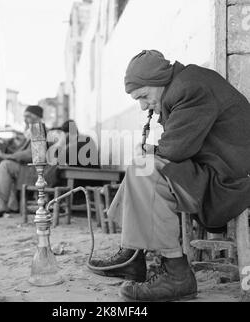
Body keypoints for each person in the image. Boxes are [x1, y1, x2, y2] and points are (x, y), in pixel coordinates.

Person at [88, 50, 250, 302]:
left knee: (145, 171)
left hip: (229, 181)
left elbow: (176, 149)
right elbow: (181, 144)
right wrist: (152, 151)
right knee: (141, 166)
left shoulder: (189, 87)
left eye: (143, 96)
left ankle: (176, 273)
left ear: (159, 80)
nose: (142, 106)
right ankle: (132, 254)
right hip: (215, 169)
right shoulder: (185, 83)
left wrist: (153, 151)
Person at [0, 105, 44, 219]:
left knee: (6, 165)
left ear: (37, 117)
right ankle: (11, 205)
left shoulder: (38, 129)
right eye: (24, 116)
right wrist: (2, 149)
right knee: (5, 164)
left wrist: (8, 156)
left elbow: (32, 154)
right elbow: (19, 152)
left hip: (36, 171)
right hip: (29, 168)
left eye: (28, 116)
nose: (25, 119)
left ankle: (1, 206)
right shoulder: (32, 131)